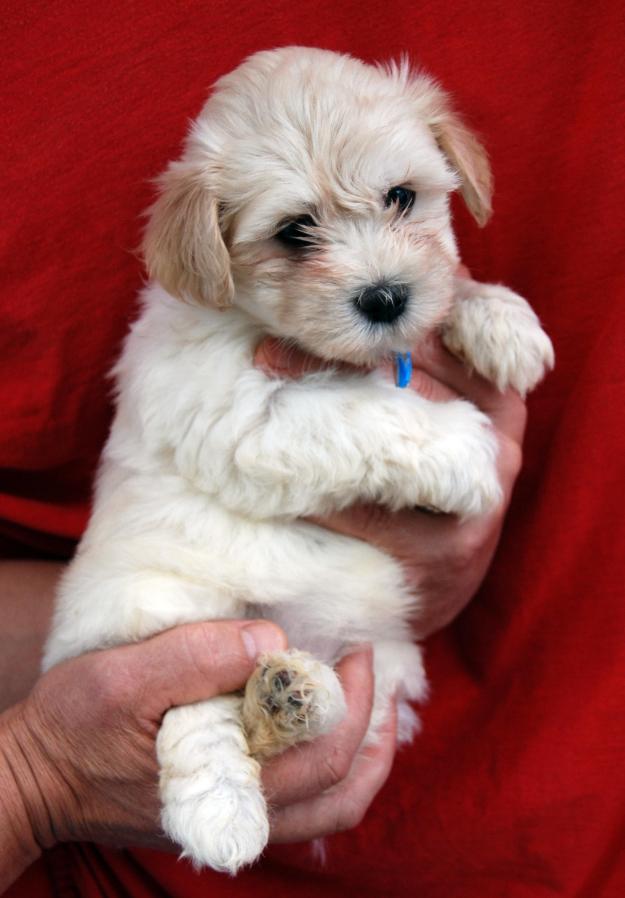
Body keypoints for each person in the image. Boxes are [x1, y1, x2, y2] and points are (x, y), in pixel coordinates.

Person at [3, 1, 625, 896]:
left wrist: (477, 305)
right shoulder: (187, 351)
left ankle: (276, 714)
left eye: (401, 200)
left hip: (452, 735)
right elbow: (252, 444)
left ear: (454, 171)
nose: (377, 272)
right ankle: (209, 748)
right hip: (180, 598)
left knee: (331, 700)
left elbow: (423, 316)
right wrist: (431, 445)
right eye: (297, 235)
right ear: (207, 250)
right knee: (188, 670)